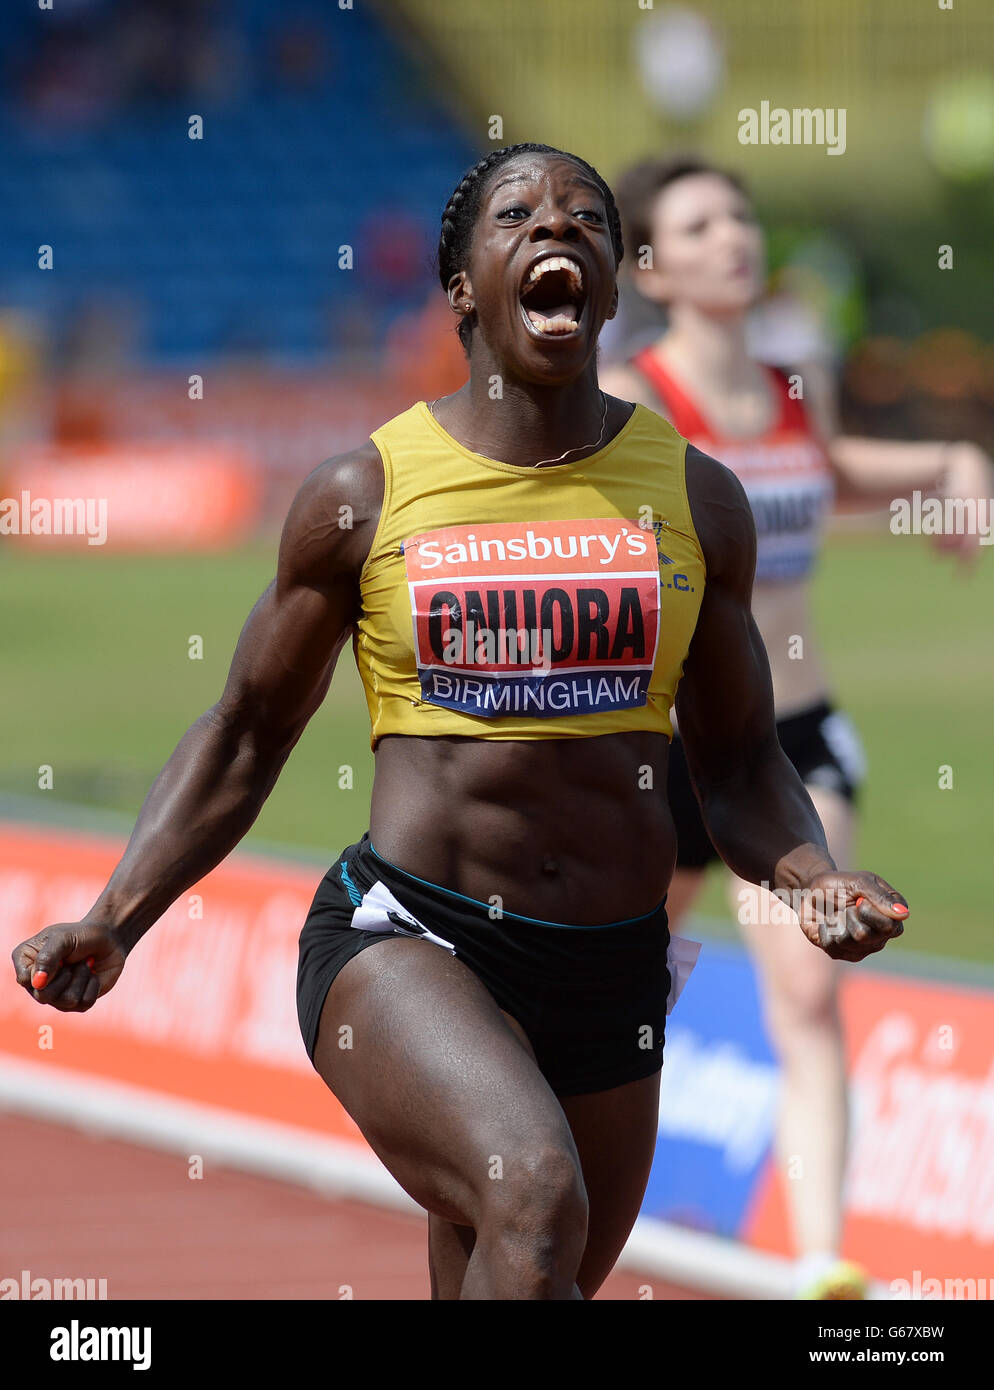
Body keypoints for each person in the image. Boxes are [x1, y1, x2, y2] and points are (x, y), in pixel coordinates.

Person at [11, 144, 910, 1302]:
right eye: (520, 216)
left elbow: (738, 760)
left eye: (586, 218)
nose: (559, 229)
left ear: (611, 286)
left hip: (612, 968)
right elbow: (243, 733)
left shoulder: (695, 498)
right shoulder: (363, 494)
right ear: (461, 292)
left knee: (524, 1270)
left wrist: (808, 875)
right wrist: (116, 917)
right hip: (409, 940)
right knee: (531, 1194)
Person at [602, 155, 990, 1299]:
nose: (735, 236)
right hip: (663, 748)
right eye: (701, 222)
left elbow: (823, 469)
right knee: (628, 999)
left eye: (743, 215)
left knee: (812, 983)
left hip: (795, 737)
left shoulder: (793, 382)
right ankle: (558, 1209)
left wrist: (952, 459)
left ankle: (823, 1261)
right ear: (651, 265)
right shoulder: (632, 398)